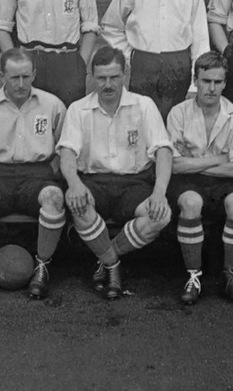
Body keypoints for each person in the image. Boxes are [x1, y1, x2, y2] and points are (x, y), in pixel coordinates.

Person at [57, 47, 172, 300]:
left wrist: (160, 193)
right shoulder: (78, 109)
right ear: (91, 76)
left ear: (125, 74)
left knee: (160, 217)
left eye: (114, 77)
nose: (108, 84)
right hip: (93, 181)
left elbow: (163, 150)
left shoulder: (144, 105)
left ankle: (106, 259)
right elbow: (67, 153)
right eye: (101, 78)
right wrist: (74, 184)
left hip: (134, 183)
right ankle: (113, 266)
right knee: (77, 206)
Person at [0, 48, 67, 300]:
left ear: (34, 74)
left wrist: (51, 169)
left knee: (54, 197)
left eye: (26, 77)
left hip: (37, 175)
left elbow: (66, 146)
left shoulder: (52, 105)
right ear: (1, 76)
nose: (21, 84)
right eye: (14, 78)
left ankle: (42, 267)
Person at [166, 51, 233, 306]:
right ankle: (193, 276)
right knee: (191, 202)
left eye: (217, 82)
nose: (211, 88)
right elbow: (175, 165)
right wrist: (218, 159)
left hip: (222, 182)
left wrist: (194, 162)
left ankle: (231, 276)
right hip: (187, 184)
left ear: (225, 83)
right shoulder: (178, 113)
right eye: (206, 81)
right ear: (196, 80)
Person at [101, 0, 209, 119]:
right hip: (143, 64)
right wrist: (129, 55)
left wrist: (196, 81)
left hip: (178, 64)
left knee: (176, 123)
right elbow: (110, 26)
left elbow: (200, 37)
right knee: (141, 122)